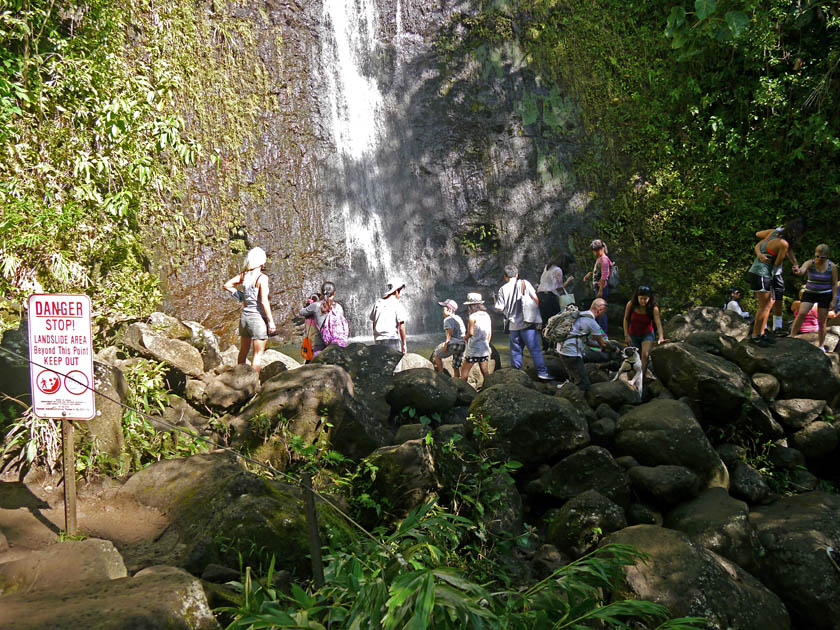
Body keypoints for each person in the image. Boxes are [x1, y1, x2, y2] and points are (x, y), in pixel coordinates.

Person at [747, 220, 804, 346]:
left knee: (770, 302)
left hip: (760, 273)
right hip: (761, 273)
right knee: (765, 306)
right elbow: (777, 263)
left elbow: (758, 243)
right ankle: (756, 336)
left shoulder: (773, 233)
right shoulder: (783, 244)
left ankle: (761, 333)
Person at [223, 247, 276, 376]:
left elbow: (227, 285)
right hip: (257, 318)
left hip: (245, 317)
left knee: (243, 351)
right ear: (261, 262)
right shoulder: (262, 278)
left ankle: (239, 378)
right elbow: (264, 301)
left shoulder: (244, 275)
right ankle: (255, 385)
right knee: (257, 356)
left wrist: (241, 296)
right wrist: (271, 321)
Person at [495, 264, 553, 381]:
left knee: (515, 351)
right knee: (535, 349)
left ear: (505, 277)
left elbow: (500, 308)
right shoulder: (524, 283)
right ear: (516, 275)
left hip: (513, 326)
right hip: (527, 324)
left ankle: (516, 374)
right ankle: (542, 373)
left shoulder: (502, 289)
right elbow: (535, 299)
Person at [790, 244, 838, 351]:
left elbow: (834, 284)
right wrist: (797, 271)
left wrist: (834, 300)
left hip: (825, 294)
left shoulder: (832, 267)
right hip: (810, 292)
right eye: (817, 256)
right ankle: (792, 336)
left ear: (827, 256)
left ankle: (821, 345)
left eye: (822, 257)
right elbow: (802, 271)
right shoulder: (810, 263)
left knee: (822, 321)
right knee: (802, 313)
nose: (819, 259)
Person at [558, 298, 610, 391]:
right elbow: (603, 344)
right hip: (571, 353)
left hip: (561, 349)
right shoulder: (592, 323)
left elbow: (588, 341)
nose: (604, 315)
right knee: (583, 384)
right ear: (600, 310)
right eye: (604, 312)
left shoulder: (580, 314)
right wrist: (616, 348)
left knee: (575, 375)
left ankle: (568, 385)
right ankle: (572, 401)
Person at [622, 285, 665, 375]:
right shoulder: (631, 305)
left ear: (649, 298)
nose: (643, 301)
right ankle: (633, 376)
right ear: (637, 297)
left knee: (645, 356)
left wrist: (661, 338)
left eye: (645, 299)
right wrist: (626, 335)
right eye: (641, 298)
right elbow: (626, 319)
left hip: (647, 334)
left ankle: (641, 378)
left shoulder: (653, 308)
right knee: (635, 358)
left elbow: (658, 324)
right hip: (633, 334)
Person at [299, 282, 345, 358]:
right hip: (336, 345)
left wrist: (309, 304)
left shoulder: (316, 305)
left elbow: (301, 312)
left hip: (319, 345)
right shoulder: (339, 307)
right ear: (334, 293)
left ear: (322, 293)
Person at [537, 256, 574, 349]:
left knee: (545, 322)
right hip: (549, 297)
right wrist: (568, 281)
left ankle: (545, 346)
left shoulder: (547, 267)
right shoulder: (558, 270)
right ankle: (554, 346)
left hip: (540, 295)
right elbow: (559, 288)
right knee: (555, 321)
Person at [461, 293, 492, 382]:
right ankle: (488, 387)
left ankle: (462, 389)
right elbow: (489, 333)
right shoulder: (486, 315)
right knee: (485, 372)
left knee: (464, 372)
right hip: (484, 348)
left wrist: (464, 338)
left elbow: (470, 333)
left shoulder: (472, 317)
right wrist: (487, 344)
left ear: (471, 306)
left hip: (474, 349)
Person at [369, 278, 407, 353]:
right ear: (396, 291)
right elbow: (401, 326)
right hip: (392, 340)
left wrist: (375, 337)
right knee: (395, 364)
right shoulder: (397, 304)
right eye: (400, 291)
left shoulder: (378, 303)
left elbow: (374, 322)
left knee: (381, 363)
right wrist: (404, 344)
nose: (401, 294)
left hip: (378, 340)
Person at [582, 239, 612, 333]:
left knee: (601, 311)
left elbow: (604, 276)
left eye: (597, 250)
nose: (595, 252)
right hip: (599, 287)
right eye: (594, 250)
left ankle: (603, 334)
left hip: (602, 288)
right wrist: (589, 274)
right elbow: (598, 272)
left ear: (602, 248)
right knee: (599, 311)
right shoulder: (600, 259)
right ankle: (600, 332)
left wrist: (600, 291)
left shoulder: (604, 259)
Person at [432, 299, 466, 374]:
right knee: (456, 366)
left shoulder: (447, 319)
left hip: (453, 344)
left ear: (449, 310)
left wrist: (446, 345)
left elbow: (449, 333)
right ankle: (457, 380)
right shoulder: (458, 318)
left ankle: (441, 374)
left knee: (437, 355)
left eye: (443, 309)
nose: (442, 311)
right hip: (462, 345)